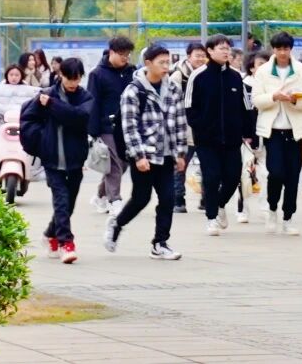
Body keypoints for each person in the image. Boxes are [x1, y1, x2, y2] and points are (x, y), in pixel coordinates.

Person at [104, 44, 187, 260]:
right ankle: (117, 224)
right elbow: (129, 126)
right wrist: (138, 156)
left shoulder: (174, 89)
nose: (166, 66)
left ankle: (160, 243)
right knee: (141, 198)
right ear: (148, 63)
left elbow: (180, 121)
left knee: (168, 199)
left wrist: (180, 153)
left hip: (166, 154)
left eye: (168, 62)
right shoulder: (134, 90)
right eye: (161, 62)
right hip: (144, 155)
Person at [22, 57, 94, 264]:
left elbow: (78, 117)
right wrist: (41, 138)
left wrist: (53, 105)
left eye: (77, 78)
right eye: (69, 78)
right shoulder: (46, 94)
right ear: (60, 75)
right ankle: (66, 243)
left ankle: (49, 234)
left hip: (75, 160)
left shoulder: (85, 97)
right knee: (61, 201)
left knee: (69, 204)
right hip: (51, 159)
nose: (73, 83)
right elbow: (28, 119)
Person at [186, 34, 256, 236]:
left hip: (232, 139)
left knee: (233, 177)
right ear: (210, 51)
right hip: (206, 140)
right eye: (221, 48)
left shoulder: (235, 77)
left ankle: (220, 205)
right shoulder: (198, 76)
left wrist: (248, 132)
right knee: (211, 177)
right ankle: (211, 218)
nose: (226, 51)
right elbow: (189, 107)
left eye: (228, 48)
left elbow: (246, 107)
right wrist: (200, 127)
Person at [252, 31, 302, 236]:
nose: (282, 53)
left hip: (295, 130)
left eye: (286, 49)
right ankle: (272, 208)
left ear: (291, 49)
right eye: (279, 49)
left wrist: (295, 100)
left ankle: (288, 217)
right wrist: (274, 96)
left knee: (293, 176)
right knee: (276, 173)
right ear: (273, 49)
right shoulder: (263, 72)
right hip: (273, 130)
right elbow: (256, 100)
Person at [87, 36, 136, 215]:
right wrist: (92, 131)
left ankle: (100, 195)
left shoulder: (132, 71)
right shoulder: (97, 74)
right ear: (111, 52)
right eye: (122, 54)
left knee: (123, 163)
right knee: (114, 162)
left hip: (127, 125)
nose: (125, 58)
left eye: (128, 54)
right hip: (106, 126)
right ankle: (115, 200)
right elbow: (93, 102)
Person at [0, 64, 39, 175]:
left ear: (21, 76)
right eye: (11, 74)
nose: (14, 77)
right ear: (7, 76)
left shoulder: (30, 92)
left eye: (17, 75)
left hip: (22, 127)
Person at [168, 41, 208, 213]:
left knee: (208, 165)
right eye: (197, 55)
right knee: (180, 165)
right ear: (189, 56)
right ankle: (178, 200)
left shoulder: (207, 74)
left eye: (203, 55)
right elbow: (172, 103)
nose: (200, 59)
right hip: (184, 129)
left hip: (205, 128)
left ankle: (207, 199)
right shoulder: (178, 76)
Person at [236, 49, 271, 223]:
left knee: (267, 173)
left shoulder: (271, 87)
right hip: (246, 137)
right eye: (260, 65)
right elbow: (240, 112)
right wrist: (244, 134)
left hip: (267, 134)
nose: (264, 68)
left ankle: (265, 206)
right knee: (244, 174)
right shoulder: (243, 85)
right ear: (251, 67)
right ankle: (242, 209)